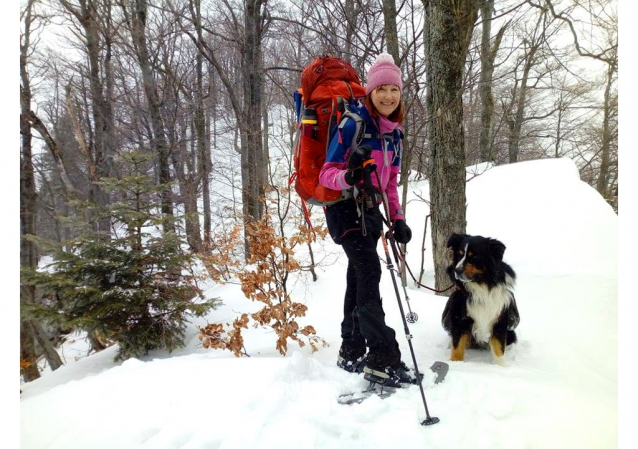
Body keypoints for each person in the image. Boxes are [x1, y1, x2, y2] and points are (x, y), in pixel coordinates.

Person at [319, 53, 416, 385]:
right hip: (345, 210)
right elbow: (326, 175)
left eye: (394, 89)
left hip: (371, 212)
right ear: (371, 92)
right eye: (381, 89)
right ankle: (382, 354)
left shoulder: (394, 135)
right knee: (369, 271)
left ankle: (351, 349)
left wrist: (398, 219)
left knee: (358, 276)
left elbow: (390, 183)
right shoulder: (353, 124)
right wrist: (351, 174)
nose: (388, 96)